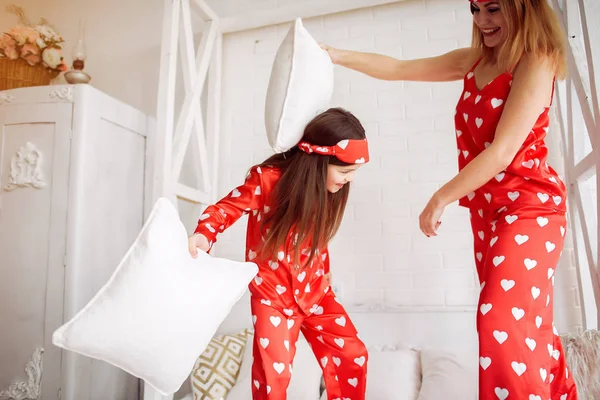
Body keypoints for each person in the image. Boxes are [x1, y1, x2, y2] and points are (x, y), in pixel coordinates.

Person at [320, 0, 578, 399]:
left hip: (530, 210)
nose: (482, 21)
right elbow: (398, 69)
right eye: (475, 9)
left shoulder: (537, 60)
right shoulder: (473, 61)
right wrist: (333, 55)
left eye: (494, 9)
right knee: (530, 327)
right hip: (488, 215)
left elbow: (502, 152)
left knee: (501, 323)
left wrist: (441, 197)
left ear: (523, 8)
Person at [188, 108, 370, 399]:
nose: (348, 180)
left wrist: (325, 268)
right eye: (345, 172)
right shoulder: (268, 181)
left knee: (352, 353)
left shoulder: (326, 190)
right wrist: (203, 234)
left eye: (353, 173)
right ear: (320, 160)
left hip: (316, 291)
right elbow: (227, 208)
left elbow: (315, 238)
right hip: (273, 297)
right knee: (273, 378)